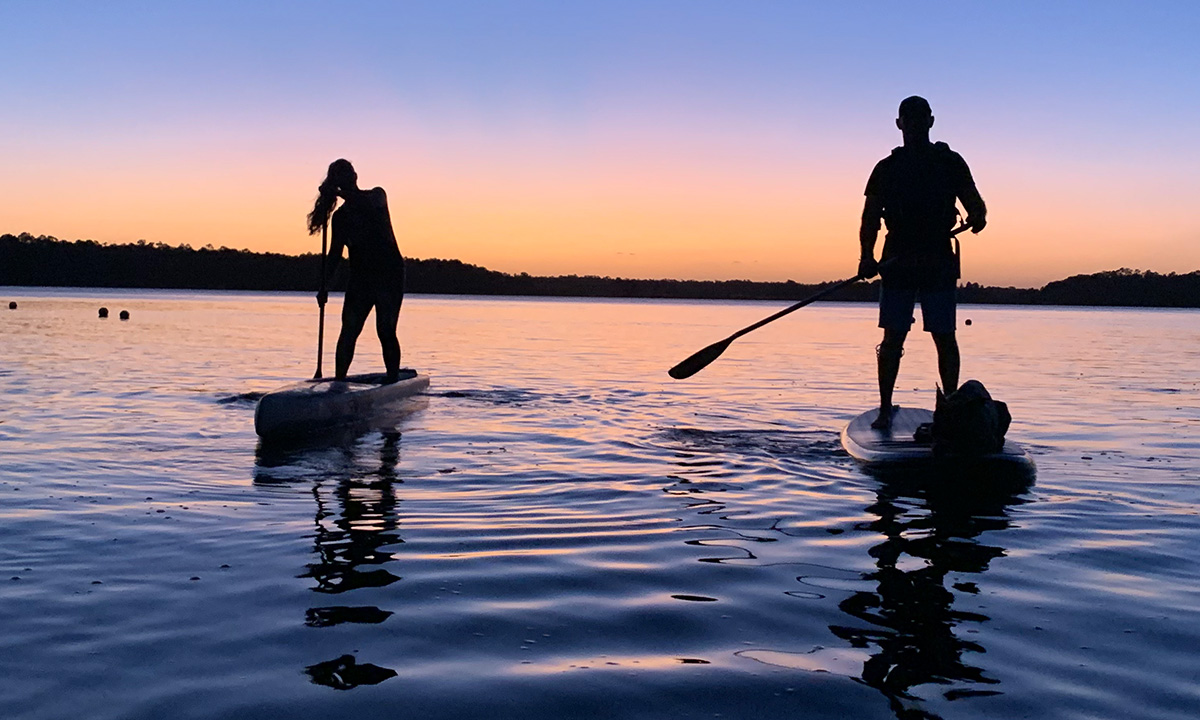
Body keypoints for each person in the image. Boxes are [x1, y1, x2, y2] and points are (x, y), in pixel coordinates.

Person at [857, 96, 987, 430]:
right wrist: (867, 258)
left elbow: (976, 205)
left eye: (919, 121)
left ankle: (951, 407)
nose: (913, 127)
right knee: (892, 338)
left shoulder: (951, 162)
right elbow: (870, 218)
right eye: (908, 121)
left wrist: (977, 216)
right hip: (897, 260)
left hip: (937, 259)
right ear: (900, 125)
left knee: (944, 336)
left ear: (930, 122)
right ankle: (885, 408)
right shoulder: (886, 169)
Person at [307, 159, 406, 382]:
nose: (346, 179)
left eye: (347, 174)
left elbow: (367, 203)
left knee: (385, 330)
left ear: (355, 177)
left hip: (389, 274)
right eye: (340, 177)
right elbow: (334, 255)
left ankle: (393, 380)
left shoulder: (377, 196)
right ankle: (339, 381)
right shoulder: (340, 218)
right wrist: (324, 286)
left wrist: (340, 192)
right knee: (349, 330)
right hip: (360, 277)